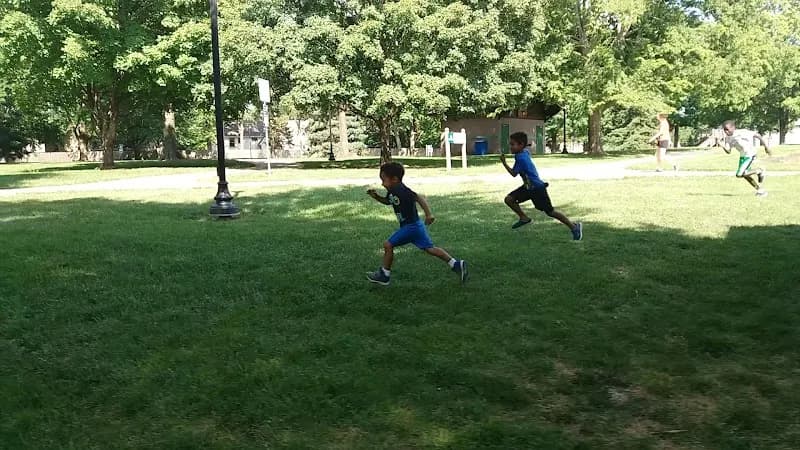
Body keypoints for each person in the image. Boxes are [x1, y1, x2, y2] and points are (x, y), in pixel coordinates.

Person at [366, 162, 468, 285]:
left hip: (411, 227)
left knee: (388, 245)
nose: (382, 184)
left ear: (395, 179)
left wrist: (429, 214)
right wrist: (376, 197)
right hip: (416, 226)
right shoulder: (392, 190)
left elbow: (418, 198)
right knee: (430, 249)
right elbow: (388, 201)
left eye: (384, 180)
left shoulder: (402, 190)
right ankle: (455, 264)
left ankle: (384, 275)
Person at [500, 132, 583, 240]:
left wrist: (504, 163)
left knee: (550, 212)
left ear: (521, 145)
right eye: (510, 144)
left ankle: (574, 227)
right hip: (528, 187)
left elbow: (513, 174)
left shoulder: (521, 158)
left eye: (512, 144)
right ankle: (524, 218)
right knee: (509, 199)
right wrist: (525, 146)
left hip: (537, 188)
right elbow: (526, 150)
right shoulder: (524, 152)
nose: (510, 147)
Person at [715, 120, 771, 197]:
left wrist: (766, 147)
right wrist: (722, 145)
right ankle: (760, 190)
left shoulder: (742, 132)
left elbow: (757, 135)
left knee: (739, 174)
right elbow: (728, 151)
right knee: (745, 175)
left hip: (750, 154)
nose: (726, 132)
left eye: (727, 129)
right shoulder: (728, 138)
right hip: (743, 156)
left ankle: (759, 170)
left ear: (733, 128)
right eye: (724, 130)